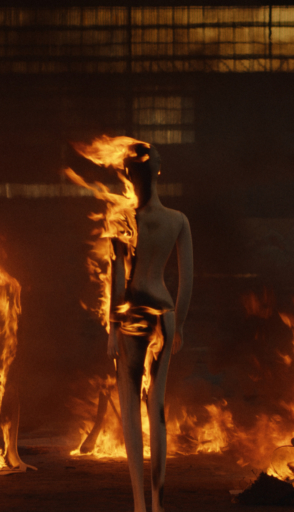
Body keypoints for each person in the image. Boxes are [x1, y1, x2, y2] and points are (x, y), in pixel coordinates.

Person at [107, 144, 193, 512]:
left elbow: (117, 277)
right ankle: (158, 503)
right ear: (158, 170)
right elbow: (187, 281)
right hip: (165, 311)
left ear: (128, 174)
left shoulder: (121, 218)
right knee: (156, 408)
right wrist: (180, 323)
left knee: (130, 409)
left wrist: (112, 328)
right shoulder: (178, 220)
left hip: (133, 313)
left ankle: (140, 504)